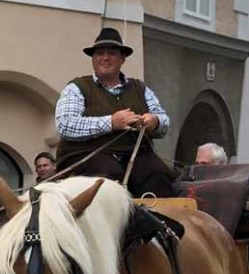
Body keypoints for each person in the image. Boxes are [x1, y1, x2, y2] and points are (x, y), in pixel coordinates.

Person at [54, 27, 174, 198]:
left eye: (111, 53)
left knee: (157, 173)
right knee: (109, 176)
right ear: (93, 59)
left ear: (122, 59)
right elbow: (65, 124)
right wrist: (111, 122)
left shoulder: (140, 88)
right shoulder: (77, 87)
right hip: (86, 156)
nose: (105, 58)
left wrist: (154, 121)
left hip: (135, 155)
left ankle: (160, 222)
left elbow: (164, 121)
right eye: (100, 53)